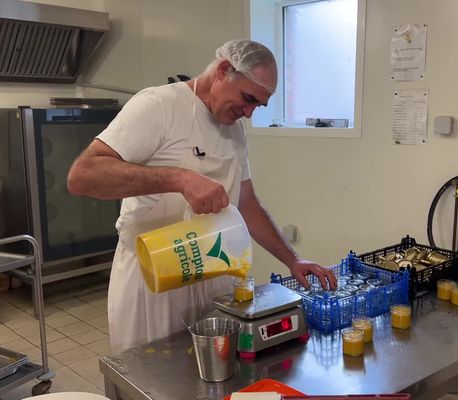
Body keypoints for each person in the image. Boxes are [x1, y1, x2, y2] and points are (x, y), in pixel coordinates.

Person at [67, 39, 336, 352]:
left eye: (257, 106)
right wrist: (179, 178)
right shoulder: (159, 105)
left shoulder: (234, 130)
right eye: (247, 98)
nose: (248, 113)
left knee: (212, 376)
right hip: (154, 280)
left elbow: (246, 205)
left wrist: (293, 259)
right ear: (223, 70)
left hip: (209, 272)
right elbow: (83, 176)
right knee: (154, 381)